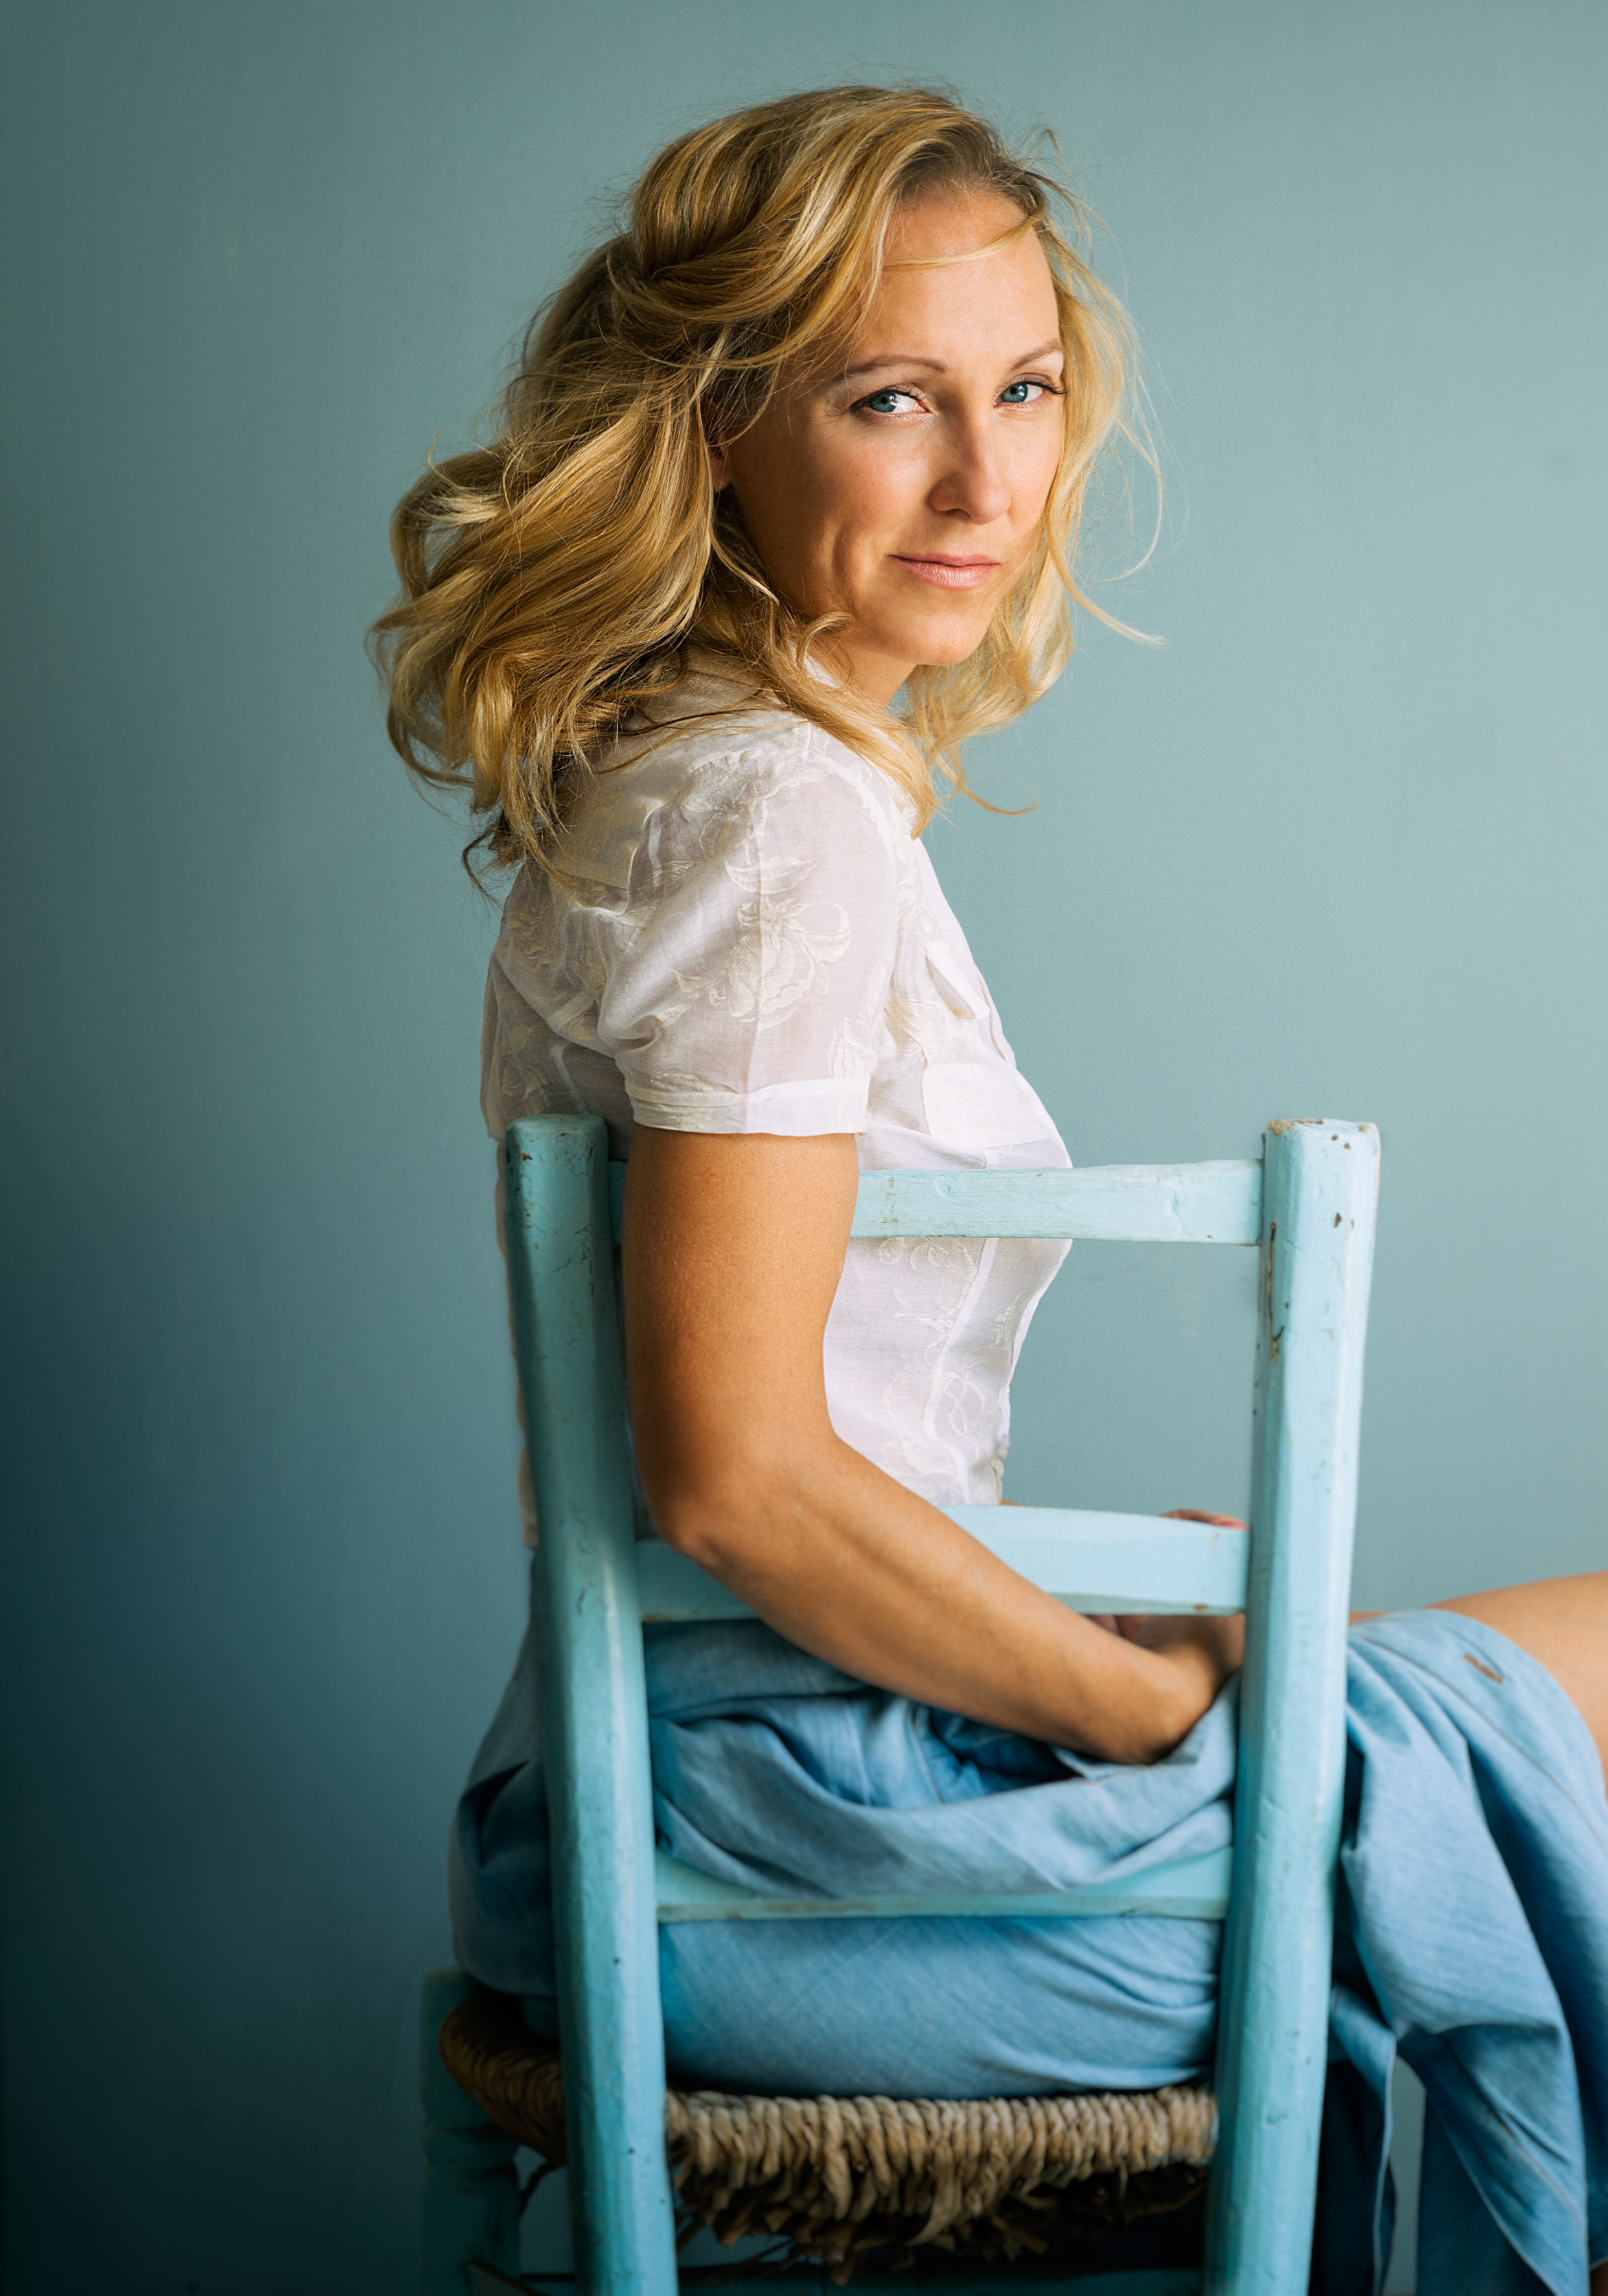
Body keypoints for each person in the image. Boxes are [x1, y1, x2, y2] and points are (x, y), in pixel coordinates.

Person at [373, 86, 1607, 2295]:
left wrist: (1081, 1602)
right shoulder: (768, 820)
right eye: (890, 400)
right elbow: (737, 1481)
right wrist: (1143, 1700)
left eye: (1022, 390)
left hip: (742, 1780)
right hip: (797, 1851)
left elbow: (790, 1445)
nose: (987, 481)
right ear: (716, 431)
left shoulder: (731, 782)